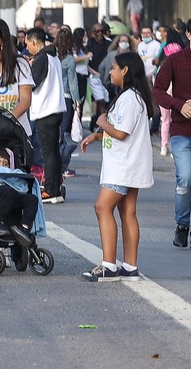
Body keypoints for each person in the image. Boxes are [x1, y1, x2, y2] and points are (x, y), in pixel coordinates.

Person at [80, 52, 155, 282]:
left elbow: (121, 133)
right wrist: (98, 136)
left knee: (102, 207)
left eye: (113, 67)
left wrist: (101, 120)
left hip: (123, 165)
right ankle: (130, 267)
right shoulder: (133, 96)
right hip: (129, 162)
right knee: (127, 211)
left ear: (125, 70)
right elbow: (123, 131)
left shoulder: (130, 98)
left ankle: (109, 265)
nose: (110, 72)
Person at [151, 19, 191, 248]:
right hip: (181, 131)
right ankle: (182, 225)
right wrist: (179, 104)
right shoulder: (175, 61)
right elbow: (157, 90)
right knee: (185, 177)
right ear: (188, 34)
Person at [24, 28, 67, 203]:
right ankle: (55, 188)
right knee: (54, 152)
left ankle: (49, 190)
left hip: (45, 110)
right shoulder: (53, 56)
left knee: (48, 152)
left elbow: (33, 83)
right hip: (56, 109)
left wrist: (28, 68)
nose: (27, 49)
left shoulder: (42, 58)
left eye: (28, 44)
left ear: (34, 42)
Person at [0, 149, 40, 247]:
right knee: (8, 192)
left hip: (10, 194)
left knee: (32, 198)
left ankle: (24, 228)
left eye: (5, 164)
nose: (2, 166)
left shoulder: (12, 173)